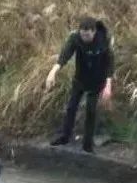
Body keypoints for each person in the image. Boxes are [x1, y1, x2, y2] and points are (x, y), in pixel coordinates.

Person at [46, 17, 114, 154]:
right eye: (83, 35)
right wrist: (52, 72)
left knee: (91, 110)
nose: (85, 38)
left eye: (87, 35)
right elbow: (65, 55)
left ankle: (87, 145)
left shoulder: (103, 40)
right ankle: (65, 137)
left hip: (97, 81)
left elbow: (110, 64)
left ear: (94, 32)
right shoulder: (75, 38)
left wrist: (108, 86)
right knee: (71, 107)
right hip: (80, 79)